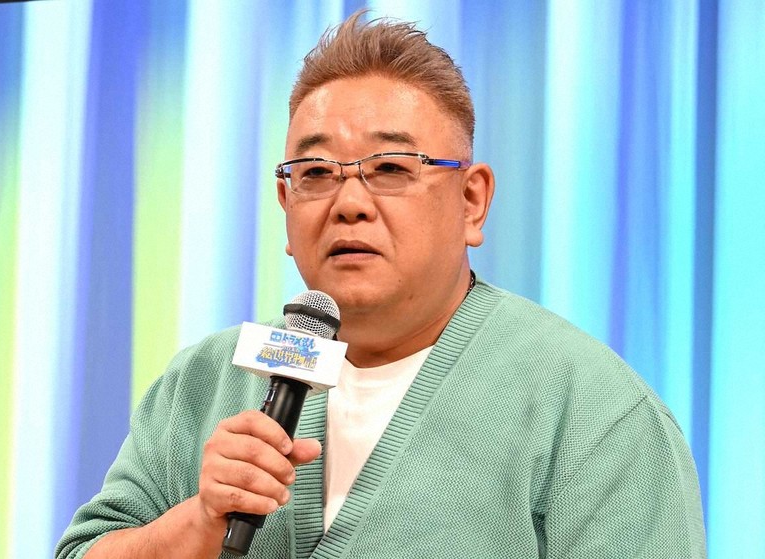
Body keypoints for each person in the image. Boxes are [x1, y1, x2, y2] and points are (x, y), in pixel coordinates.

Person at [56, 12, 707, 559]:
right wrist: (196, 523)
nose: (349, 203)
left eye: (391, 167)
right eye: (316, 172)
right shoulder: (205, 382)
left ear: (472, 201)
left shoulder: (593, 413)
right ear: (286, 206)